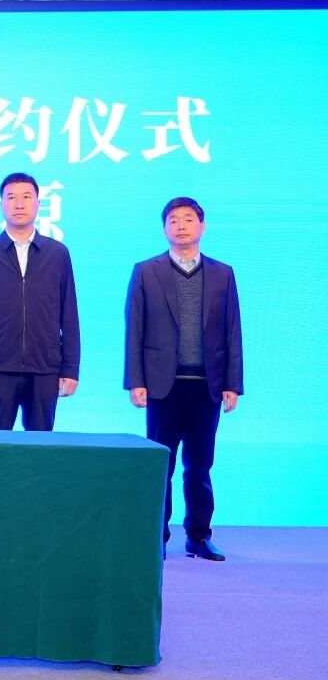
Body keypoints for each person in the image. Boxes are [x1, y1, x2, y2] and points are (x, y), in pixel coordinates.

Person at [125, 197, 242, 562]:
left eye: (188, 219)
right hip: (163, 385)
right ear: (164, 229)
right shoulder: (147, 271)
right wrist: (136, 381)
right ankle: (156, 536)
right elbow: (135, 328)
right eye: (173, 220)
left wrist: (232, 383)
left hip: (207, 385)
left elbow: (232, 330)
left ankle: (199, 536)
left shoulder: (223, 273)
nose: (181, 225)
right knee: (161, 464)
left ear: (202, 227)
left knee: (200, 464)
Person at [0, 172, 79, 431]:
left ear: (38, 203)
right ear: (1, 204)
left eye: (26, 197)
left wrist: (70, 368)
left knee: (41, 445)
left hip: (45, 368)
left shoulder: (57, 253)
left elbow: (69, 314)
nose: (19, 204)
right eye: (11, 197)